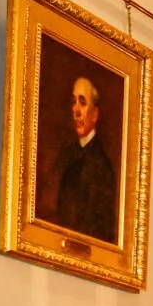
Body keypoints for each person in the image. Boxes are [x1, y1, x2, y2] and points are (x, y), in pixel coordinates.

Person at [50, 75, 118, 242]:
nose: (76, 110)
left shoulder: (102, 165)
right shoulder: (67, 155)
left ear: (94, 114)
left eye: (82, 102)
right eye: (74, 102)